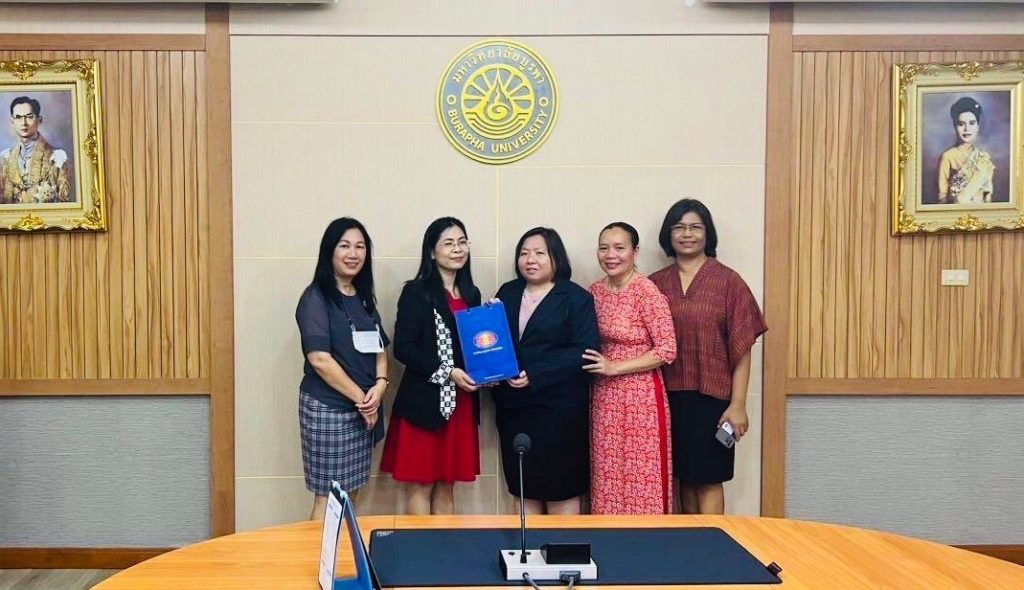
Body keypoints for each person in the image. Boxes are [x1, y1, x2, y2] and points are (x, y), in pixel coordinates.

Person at [650, 199, 766, 515]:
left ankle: (712, 540)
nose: (687, 234)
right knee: (683, 479)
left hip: (713, 398)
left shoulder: (728, 281)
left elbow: (742, 347)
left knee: (709, 479)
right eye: (679, 227)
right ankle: (690, 542)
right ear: (669, 234)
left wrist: (738, 405)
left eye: (695, 227)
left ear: (707, 233)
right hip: (667, 398)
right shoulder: (655, 283)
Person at [493, 227, 600, 515]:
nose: (531, 259)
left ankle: (561, 545)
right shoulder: (507, 292)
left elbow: (585, 351)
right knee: (523, 485)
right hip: (514, 409)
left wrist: (536, 373)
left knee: (560, 486)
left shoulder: (576, 297)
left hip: (559, 412)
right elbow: (494, 343)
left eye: (540, 253)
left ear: (556, 257)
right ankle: (527, 544)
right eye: (524, 253)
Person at [381, 217, 482, 515]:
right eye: (448, 243)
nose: (457, 249)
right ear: (432, 252)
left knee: (447, 484)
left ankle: (444, 546)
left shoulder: (472, 294)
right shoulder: (416, 291)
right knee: (421, 485)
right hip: (424, 404)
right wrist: (448, 372)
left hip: (461, 401)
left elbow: (475, 345)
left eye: (462, 242)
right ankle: (421, 545)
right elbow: (404, 348)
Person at [295, 217, 389, 520]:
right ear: (330, 251)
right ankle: (320, 553)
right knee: (330, 496)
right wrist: (363, 400)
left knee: (353, 492)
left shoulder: (362, 297)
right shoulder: (315, 298)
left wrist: (381, 384)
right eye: (345, 246)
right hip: (329, 409)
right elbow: (319, 359)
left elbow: (380, 348)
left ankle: (345, 549)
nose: (353, 253)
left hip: (362, 409)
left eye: (360, 247)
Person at [585, 222, 677, 515]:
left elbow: (667, 349)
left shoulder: (646, 292)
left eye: (619, 248)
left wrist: (616, 367)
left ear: (635, 252)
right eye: (604, 248)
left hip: (641, 397)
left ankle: (647, 536)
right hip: (604, 396)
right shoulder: (594, 291)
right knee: (608, 470)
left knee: (642, 473)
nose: (610, 255)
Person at [0, 96, 73, 204]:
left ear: (39, 120)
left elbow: (65, 204)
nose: (23, 123)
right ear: (12, 122)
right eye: (18, 117)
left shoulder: (58, 157)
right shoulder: (5, 158)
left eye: (29, 117)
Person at [937, 96, 994, 204]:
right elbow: (942, 198)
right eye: (961, 124)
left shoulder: (983, 158)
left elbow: (987, 194)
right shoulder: (948, 157)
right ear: (955, 126)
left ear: (977, 126)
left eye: (972, 123)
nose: (967, 129)